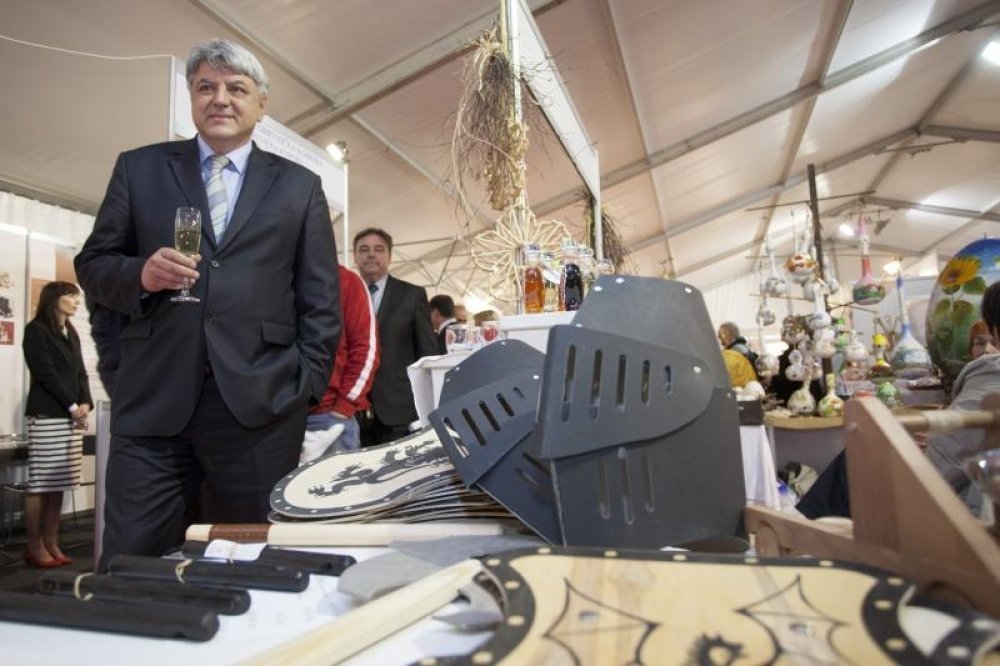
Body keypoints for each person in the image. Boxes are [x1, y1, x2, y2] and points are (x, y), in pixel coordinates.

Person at [75, 39, 341, 569]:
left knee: (249, 559)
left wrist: (303, 385)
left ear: (261, 104)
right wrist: (140, 274)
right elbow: (94, 265)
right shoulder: (140, 169)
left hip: (260, 408)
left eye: (236, 88)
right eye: (206, 87)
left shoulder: (299, 187)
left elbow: (320, 301)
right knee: (131, 560)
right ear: (191, 98)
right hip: (152, 402)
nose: (220, 99)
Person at [21, 281, 92, 567]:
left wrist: (85, 401)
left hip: (70, 417)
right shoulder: (36, 330)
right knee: (41, 483)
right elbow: (45, 373)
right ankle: (34, 546)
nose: (76, 302)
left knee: (59, 483)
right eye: (71, 296)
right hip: (48, 414)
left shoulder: (70, 331)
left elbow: (81, 372)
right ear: (54, 299)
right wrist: (72, 406)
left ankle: (51, 542)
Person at [353, 227, 438, 445]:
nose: (371, 255)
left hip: (399, 409)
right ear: (355, 257)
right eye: (364, 249)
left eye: (378, 249)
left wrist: (428, 407)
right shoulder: (343, 295)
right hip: (353, 410)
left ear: (390, 256)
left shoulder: (412, 295)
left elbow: (428, 354)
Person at [302, 265, 379, 463]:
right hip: (276, 419)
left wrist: (343, 407)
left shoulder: (346, 281)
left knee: (336, 482)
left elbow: (365, 348)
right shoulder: (274, 275)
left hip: (328, 416)